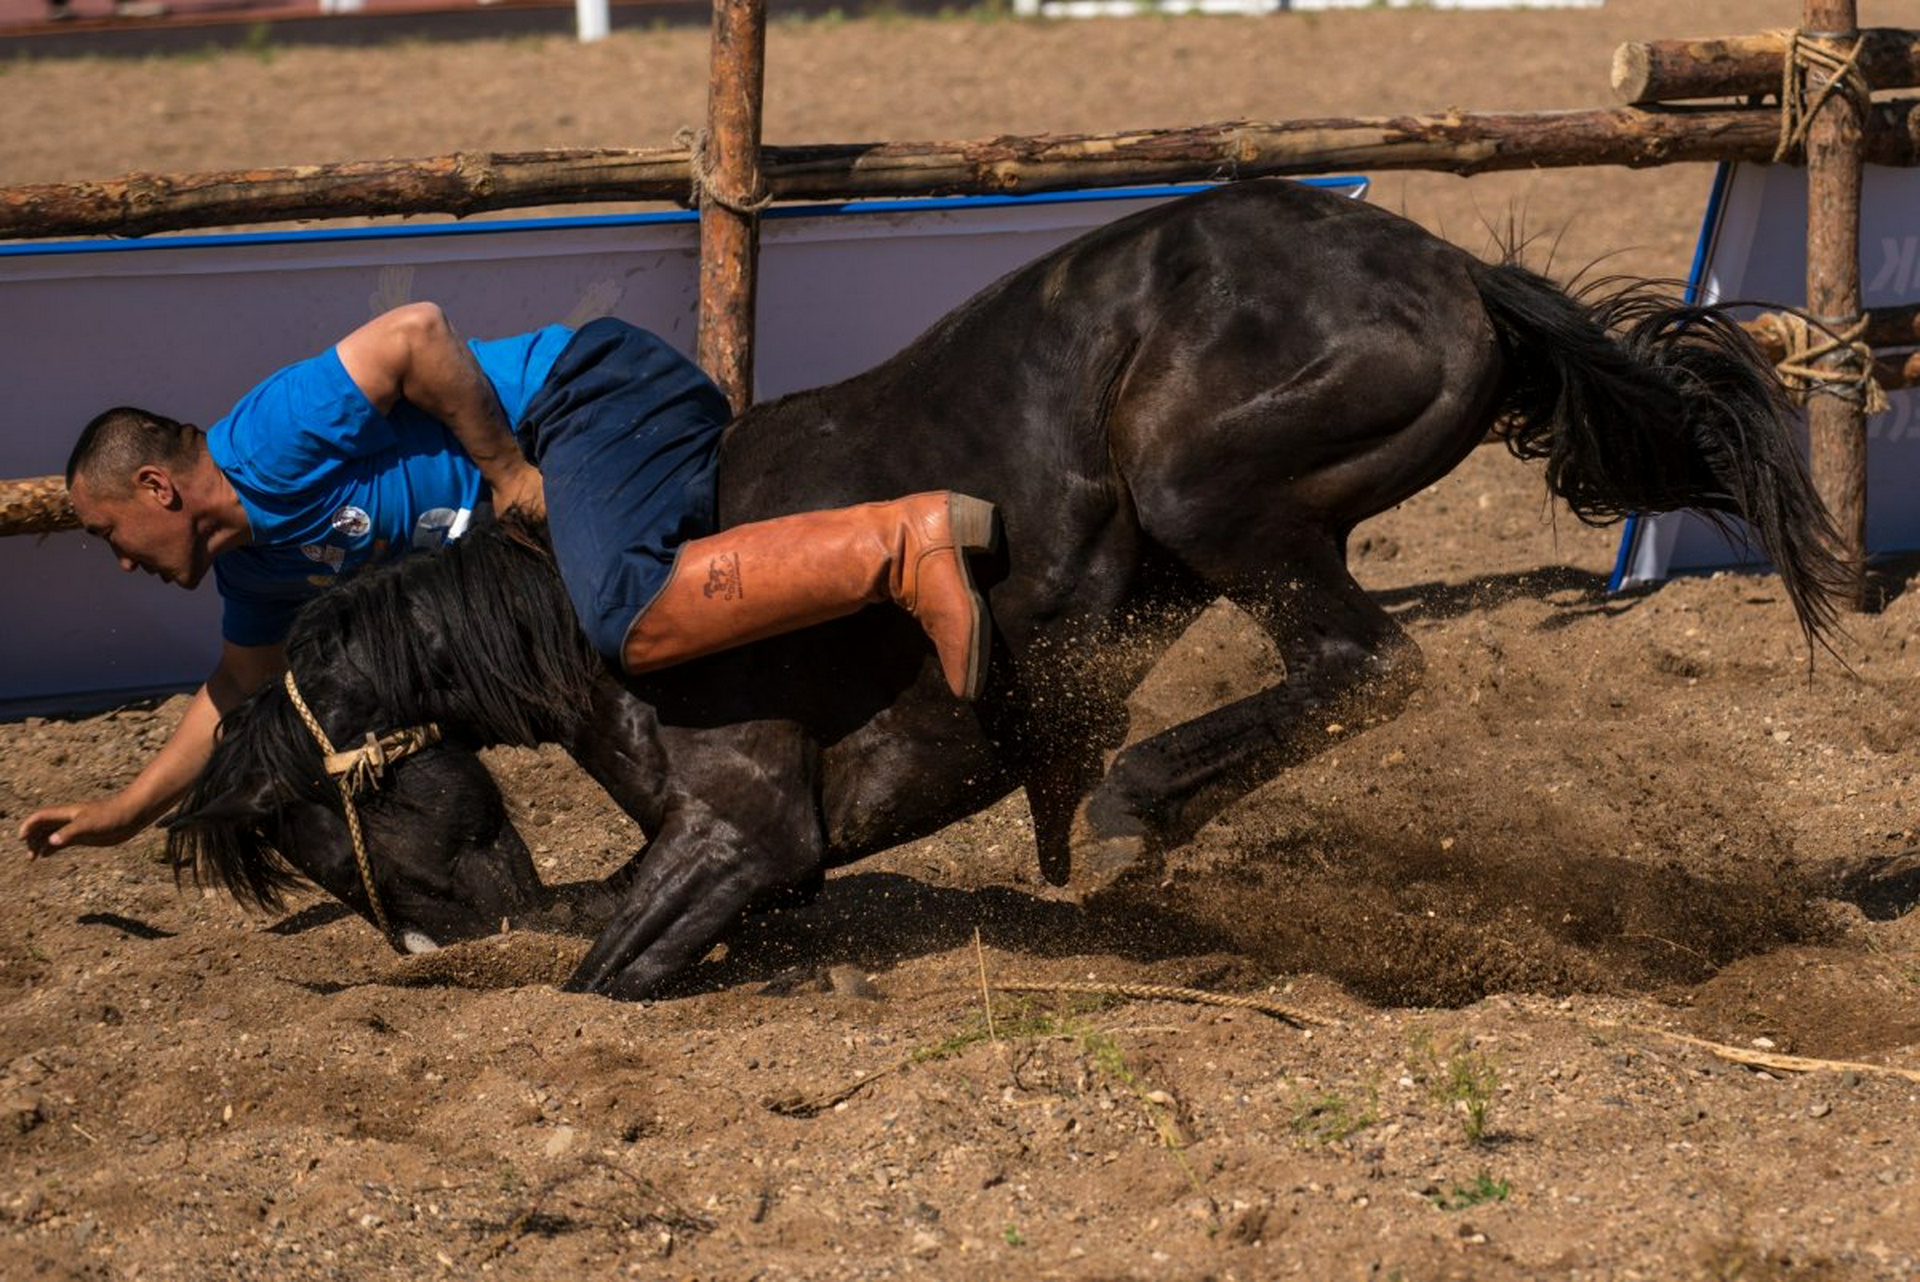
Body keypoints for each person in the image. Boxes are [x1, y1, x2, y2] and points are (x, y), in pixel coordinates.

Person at [18, 302, 992, 857]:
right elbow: (234, 689)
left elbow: (414, 332)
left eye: (112, 530)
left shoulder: (268, 435)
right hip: (566, 452)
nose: (118, 557)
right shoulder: (260, 570)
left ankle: (904, 545)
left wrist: (507, 471)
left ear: (157, 485)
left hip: (586, 397)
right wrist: (120, 812)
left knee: (630, 619)